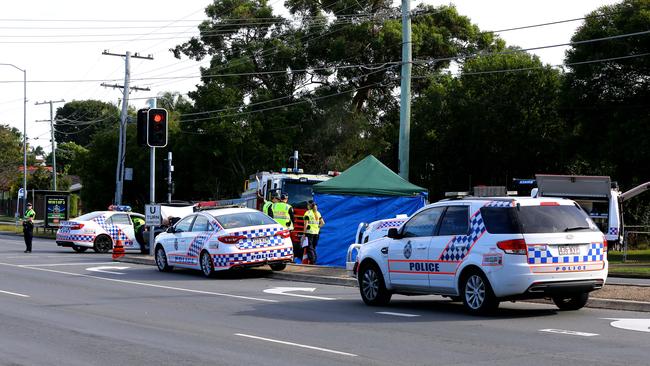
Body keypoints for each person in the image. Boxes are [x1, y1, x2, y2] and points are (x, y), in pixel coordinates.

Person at [303, 200, 325, 264]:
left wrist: (304, 233)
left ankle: (313, 261)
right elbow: (323, 223)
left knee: (309, 247)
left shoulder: (307, 213)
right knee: (313, 247)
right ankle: (314, 260)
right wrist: (317, 227)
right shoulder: (318, 213)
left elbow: (305, 224)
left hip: (309, 233)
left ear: (309, 206)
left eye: (307, 205)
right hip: (316, 233)